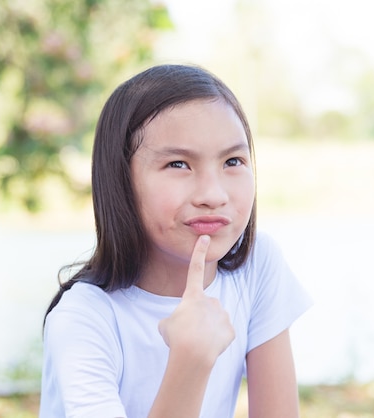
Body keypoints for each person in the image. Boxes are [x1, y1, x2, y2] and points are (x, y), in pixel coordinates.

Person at [39, 64, 312, 418]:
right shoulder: (84, 319)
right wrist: (190, 362)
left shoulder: (256, 265)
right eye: (179, 164)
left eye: (233, 160)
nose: (213, 195)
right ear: (120, 181)